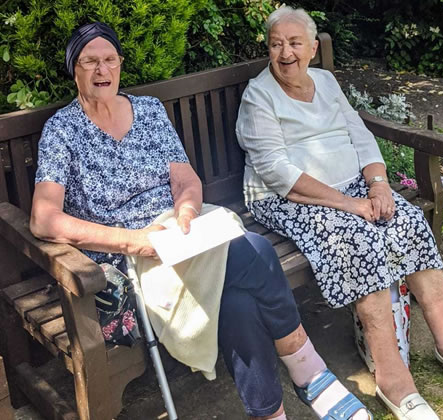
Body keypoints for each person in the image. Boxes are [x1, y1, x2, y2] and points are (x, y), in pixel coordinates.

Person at [30, 21, 373, 420]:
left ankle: (270, 413)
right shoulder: (62, 131)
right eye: (90, 62)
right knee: (255, 254)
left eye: (110, 60)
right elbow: (43, 219)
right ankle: (307, 369)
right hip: (134, 254)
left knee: (238, 299)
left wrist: (188, 210)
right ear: (75, 69)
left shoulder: (148, 110)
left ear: (121, 64)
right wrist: (132, 240)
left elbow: (186, 178)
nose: (102, 71)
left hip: (182, 231)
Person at [235, 7, 443, 420]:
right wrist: (349, 204)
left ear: (310, 47)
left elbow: (360, 136)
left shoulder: (324, 80)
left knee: (408, 221)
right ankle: (392, 377)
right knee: (356, 239)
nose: (285, 52)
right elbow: (275, 170)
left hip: (353, 189)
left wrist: (378, 185)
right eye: (276, 44)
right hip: (287, 198)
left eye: (294, 43)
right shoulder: (259, 95)